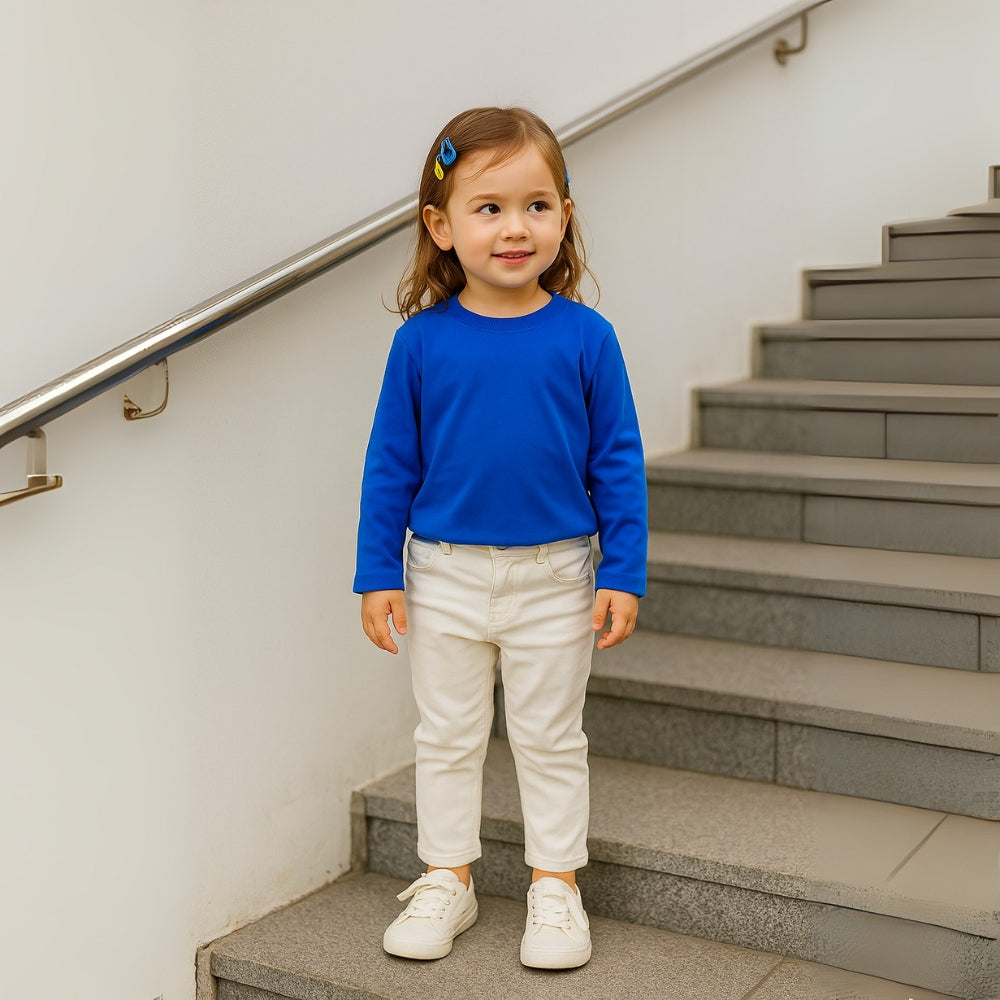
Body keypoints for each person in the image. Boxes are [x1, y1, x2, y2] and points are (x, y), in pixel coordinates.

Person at [354, 106, 647, 970]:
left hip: (558, 575)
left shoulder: (588, 339)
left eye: (536, 205)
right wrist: (378, 572)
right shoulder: (421, 343)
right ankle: (450, 876)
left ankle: (555, 887)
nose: (515, 228)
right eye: (489, 208)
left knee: (551, 735)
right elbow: (388, 466)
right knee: (446, 734)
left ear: (564, 216)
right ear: (440, 226)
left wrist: (622, 569)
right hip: (439, 574)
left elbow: (618, 463)